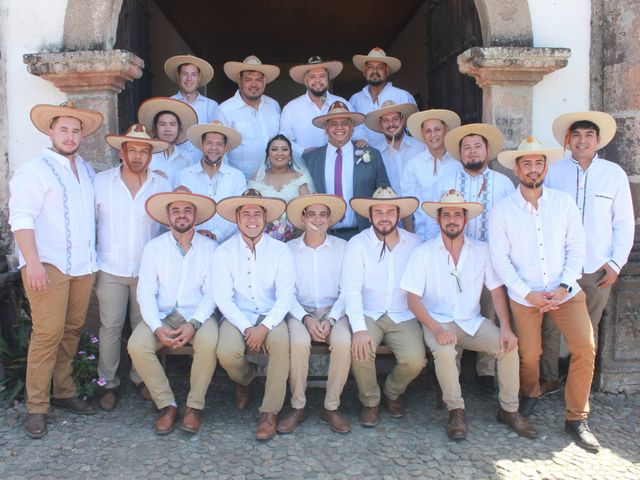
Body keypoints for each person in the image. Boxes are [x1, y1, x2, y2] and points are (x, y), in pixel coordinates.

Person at [489, 137, 600, 451]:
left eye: (539, 163)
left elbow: (576, 246)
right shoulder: (502, 210)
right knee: (530, 354)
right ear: (517, 168)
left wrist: (563, 287)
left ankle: (576, 417)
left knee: (584, 348)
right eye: (527, 164)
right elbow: (500, 259)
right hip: (525, 296)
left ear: (546, 167)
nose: (533, 169)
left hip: (565, 291)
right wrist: (528, 293)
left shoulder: (563, 203)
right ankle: (530, 394)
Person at [401, 190, 537, 440]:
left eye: (457, 215)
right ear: (438, 219)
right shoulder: (423, 252)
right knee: (443, 351)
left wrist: (506, 328)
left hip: (472, 322)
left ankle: (509, 410)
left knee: (508, 346)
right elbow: (413, 299)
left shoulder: (482, 251)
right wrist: (437, 329)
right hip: (437, 322)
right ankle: (456, 410)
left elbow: (496, 292)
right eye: (447, 215)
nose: (452, 219)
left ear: (466, 220)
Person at [9, 101, 103, 438]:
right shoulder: (33, 170)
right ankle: (37, 406)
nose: (70, 135)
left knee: (71, 330)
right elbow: (20, 218)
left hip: (82, 264)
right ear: (51, 131)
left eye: (75, 130)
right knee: (47, 334)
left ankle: (63, 391)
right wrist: (32, 263)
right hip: (47, 264)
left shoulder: (88, 170)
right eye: (63, 129)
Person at [540, 112, 635, 394]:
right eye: (577, 136)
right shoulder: (553, 172)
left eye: (588, 136)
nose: (582, 141)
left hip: (596, 266)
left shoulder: (613, 174)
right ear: (568, 141)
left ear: (598, 140)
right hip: (558, 265)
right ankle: (548, 378)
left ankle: (577, 383)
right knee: (550, 326)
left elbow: (624, 222)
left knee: (587, 331)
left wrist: (616, 263)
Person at [427, 123, 515, 392]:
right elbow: (433, 222)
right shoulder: (445, 183)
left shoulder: (503, 184)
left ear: (487, 151)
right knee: (457, 311)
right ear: (460, 153)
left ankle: (486, 371)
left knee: (489, 313)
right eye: (467, 147)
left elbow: (513, 223)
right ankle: (452, 368)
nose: (472, 151)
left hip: (491, 260)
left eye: (478, 146)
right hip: (454, 259)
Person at [128, 186, 219, 435]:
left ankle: (194, 406)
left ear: (195, 216)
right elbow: (145, 291)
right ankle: (167, 404)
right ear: (167, 217)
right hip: (163, 314)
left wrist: (194, 323)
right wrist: (157, 326)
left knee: (209, 342)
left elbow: (213, 292)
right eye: (175, 211)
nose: (181, 215)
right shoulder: (154, 248)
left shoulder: (210, 247)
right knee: (137, 345)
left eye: (187, 210)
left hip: (197, 314)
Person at [95, 124, 171, 411]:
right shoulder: (100, 182)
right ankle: (108, 384)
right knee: (110, 327)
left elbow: (169, 226)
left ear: (151, 155)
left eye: (144, 151)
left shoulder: (161, 185)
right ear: (121, 152)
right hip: (110, 267)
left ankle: (142, 380)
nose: (138, 157)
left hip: (148, 271)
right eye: (132, 150)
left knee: (145, 326)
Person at [213, 189, 295, 440]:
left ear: (265, 218)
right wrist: (247, 327)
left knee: (282, 344)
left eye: (257, 214)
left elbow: (285, 296)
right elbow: (222, 298)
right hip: (238, 315)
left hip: (272, 314)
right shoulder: (224, 252)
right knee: (226, 352)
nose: (251, 219)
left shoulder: (281, 251)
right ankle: (246, 379)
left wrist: (265, 327)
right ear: (237, 218)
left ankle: (269, 412)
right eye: (245, 213)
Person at [341, 187, 426, 427]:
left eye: (390, 211)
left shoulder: (414, 243)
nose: (384, 216)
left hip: (403, 313)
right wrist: (358, 328)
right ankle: (370, 402)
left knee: (415, 359)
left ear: (399, 215)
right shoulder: (357, 244)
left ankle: (391, 392)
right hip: (368, 311)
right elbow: (351, 289)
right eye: (378, 212)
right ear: (370, 216)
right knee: (360, 351)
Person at [277, 194, 352, 434]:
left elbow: (348, 290)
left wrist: (331, 319)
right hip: (300, 310)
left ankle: (331, 406)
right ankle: (298, 405)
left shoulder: (343, 248)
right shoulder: (287, 250)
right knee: (298, 342)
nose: (317, 220)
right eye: (312, 214)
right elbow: (285, 293)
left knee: (343, 341)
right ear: (303, 218)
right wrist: (306, 319)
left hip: (335, 309)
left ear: (330, 219)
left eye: (323, 214)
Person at [304, 101, 390, 239]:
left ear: (352, 127)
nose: (339, 128)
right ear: (326, 128)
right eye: (333, 124)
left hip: (363, 235)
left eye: (344, 123)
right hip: (323, 236)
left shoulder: (372, 155)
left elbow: (384, 194)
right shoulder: (311, 159)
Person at [280, 56, 367, 159]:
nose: (317, 80)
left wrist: (361, 139)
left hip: (339, 165)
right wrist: (303, 151)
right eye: (312, 76)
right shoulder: (291, 108)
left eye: (322, 76)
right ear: (305, 80)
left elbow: (358, 131)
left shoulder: (343, 104)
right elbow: (284, 139)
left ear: (328, 79)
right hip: (303, 167)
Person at [179, 120, 247, 243]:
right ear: (201, 145)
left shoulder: (237, 176)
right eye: (209, 143)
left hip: (229, 245)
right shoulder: (185, 175)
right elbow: (180, 211)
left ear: (226, 148)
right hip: (193, 243)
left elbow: (238, 212)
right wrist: (197, 235)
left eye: (219, 144)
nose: (214, 148)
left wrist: (216, 235)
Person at [219, 55, 281, 180]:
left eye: (258, 79)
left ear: (264, 81)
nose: (254, 84)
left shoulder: (273, 105)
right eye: (248, 79)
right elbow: (220, 150)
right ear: (239, 81)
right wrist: (230, 182)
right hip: (242, 182)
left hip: (273, 181)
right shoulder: (225, 110)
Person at [364, 100, 422, 230]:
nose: (391, 124)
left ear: (403, 120)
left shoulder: (420, 148)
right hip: (388, 222)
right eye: (385, 120)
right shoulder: (375, 153)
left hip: (421, 219)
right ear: (380, 124)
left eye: (395, 119)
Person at [249, 134, 314, 241]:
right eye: (274, 149)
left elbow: (308, 211)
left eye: (284, 149)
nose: (279, 153)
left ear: (290, 155)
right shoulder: (257, 179)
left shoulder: (301, 179)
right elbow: (250, 210)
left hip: (296, 239)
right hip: (264, 239)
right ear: (268, 154)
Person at [350, 47, 417, 144]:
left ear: (387, 71)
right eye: (370, 67)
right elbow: (351, 129)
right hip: (364, 156)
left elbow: (413, 130)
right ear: (364, 72)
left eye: (380, 67)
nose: (375, 71)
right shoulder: (355, 100)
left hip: (397, 156)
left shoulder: (402, 96)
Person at [164, 54, 218, 160]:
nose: (189, 79)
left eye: (193, 74)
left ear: (199, 77)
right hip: (175, 164)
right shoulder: (168, 103)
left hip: (202, 166)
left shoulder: (211, 106)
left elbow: (218, 138)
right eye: (185, 74)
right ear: (178, 75)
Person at [401, 109, 462, 199]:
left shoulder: (459, 162)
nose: (433, 135)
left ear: (446, 130)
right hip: (422, 214)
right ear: (422, 134)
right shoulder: (413, 165)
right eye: (428, 131)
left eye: (437, 129)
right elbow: (408, 199)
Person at [138, 96, 198, 187]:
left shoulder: (187, 158)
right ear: (155, 128)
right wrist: (147, 176)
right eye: (162, 124)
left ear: (179, 128)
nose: (167, 129)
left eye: (172, 124)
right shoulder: (144, 154)